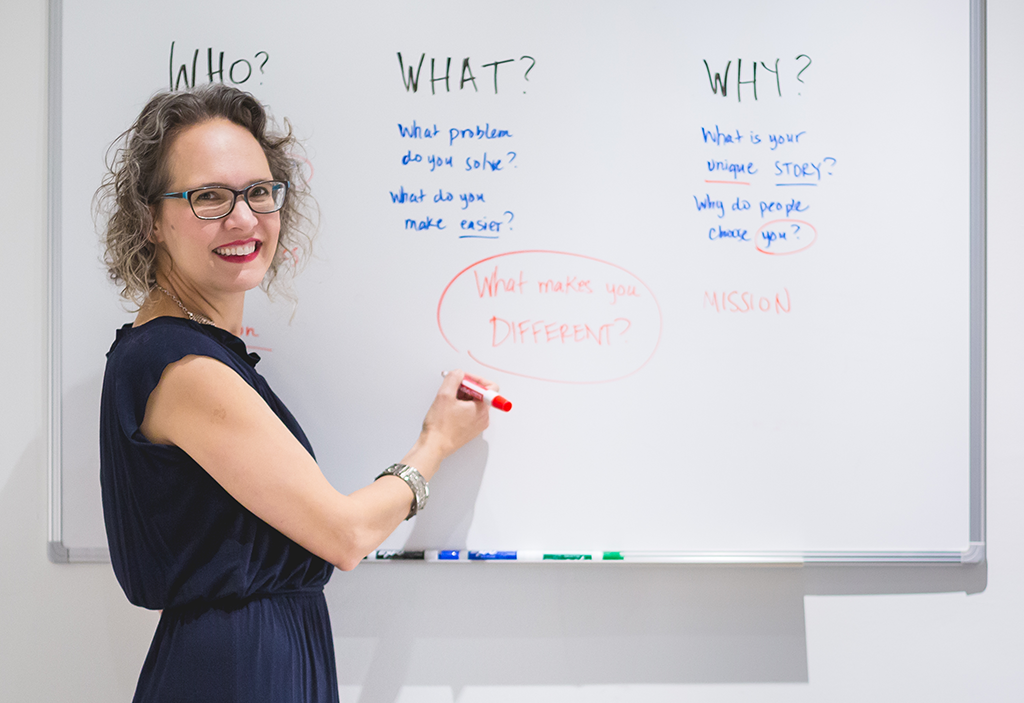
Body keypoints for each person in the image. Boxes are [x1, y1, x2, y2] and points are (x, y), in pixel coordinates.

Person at [96, 83, 493, 702]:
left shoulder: (179, 351)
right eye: (208, 197)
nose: (245, 218)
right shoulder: (180, 365)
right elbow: (346, 535)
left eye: (258, 191)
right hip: (239, 671)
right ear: (151, 219)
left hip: (251, 659)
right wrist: (435, 444)